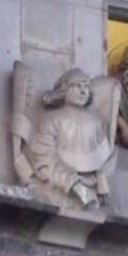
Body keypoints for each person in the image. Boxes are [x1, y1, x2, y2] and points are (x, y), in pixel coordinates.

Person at [29, 69, 113, 208]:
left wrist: (101, 180)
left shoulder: (96, 123)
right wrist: (74, 184)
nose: (83, 91)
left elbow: (104, 157)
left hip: (91, 190)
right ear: (64, 90)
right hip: (59, 187)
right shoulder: (51, 120)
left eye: (86, 87)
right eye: (77, 86)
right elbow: (44, 158)